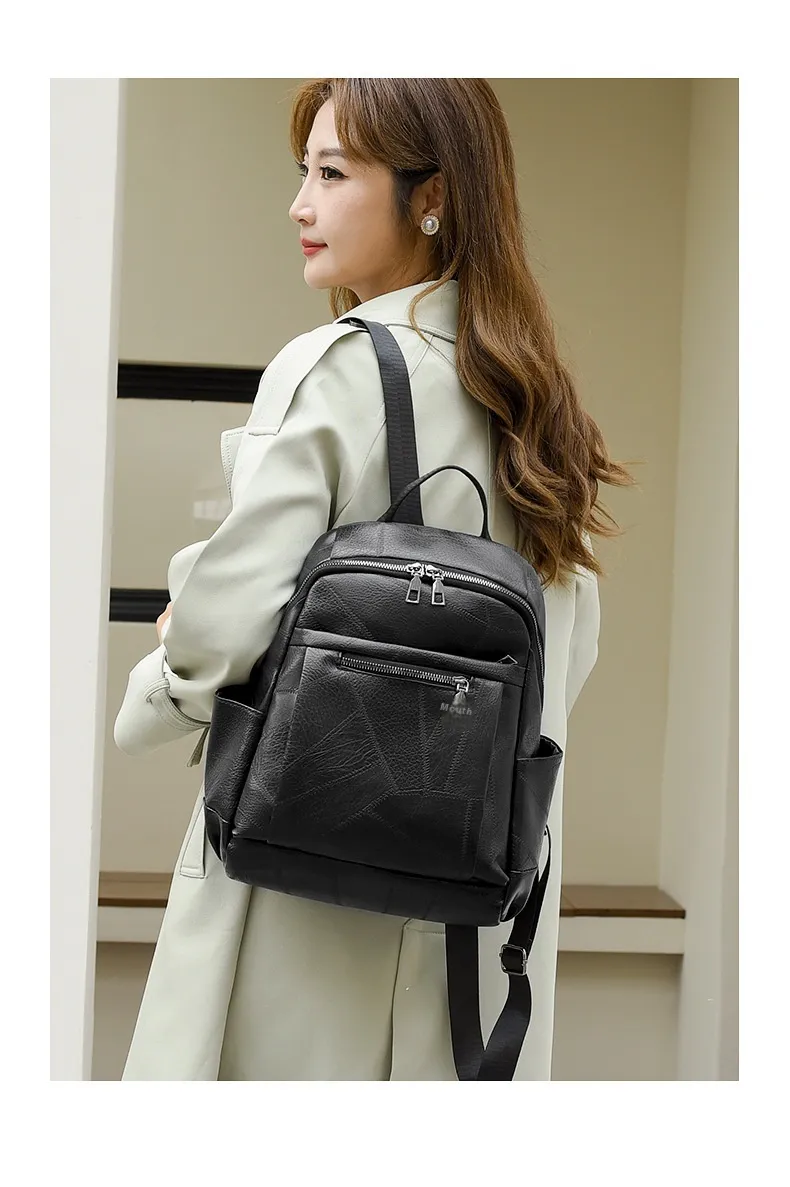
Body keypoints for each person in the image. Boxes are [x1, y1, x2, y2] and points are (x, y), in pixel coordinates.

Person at [114, 78, 632, 1081]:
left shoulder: (338, 369)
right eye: (303, 172)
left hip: (306, 895)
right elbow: (564, 658)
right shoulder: (536, 403)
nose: (299, 204)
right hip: (474, 915)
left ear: (429, 195)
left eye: (332, 173)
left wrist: (167, 670)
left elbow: (223, 626)